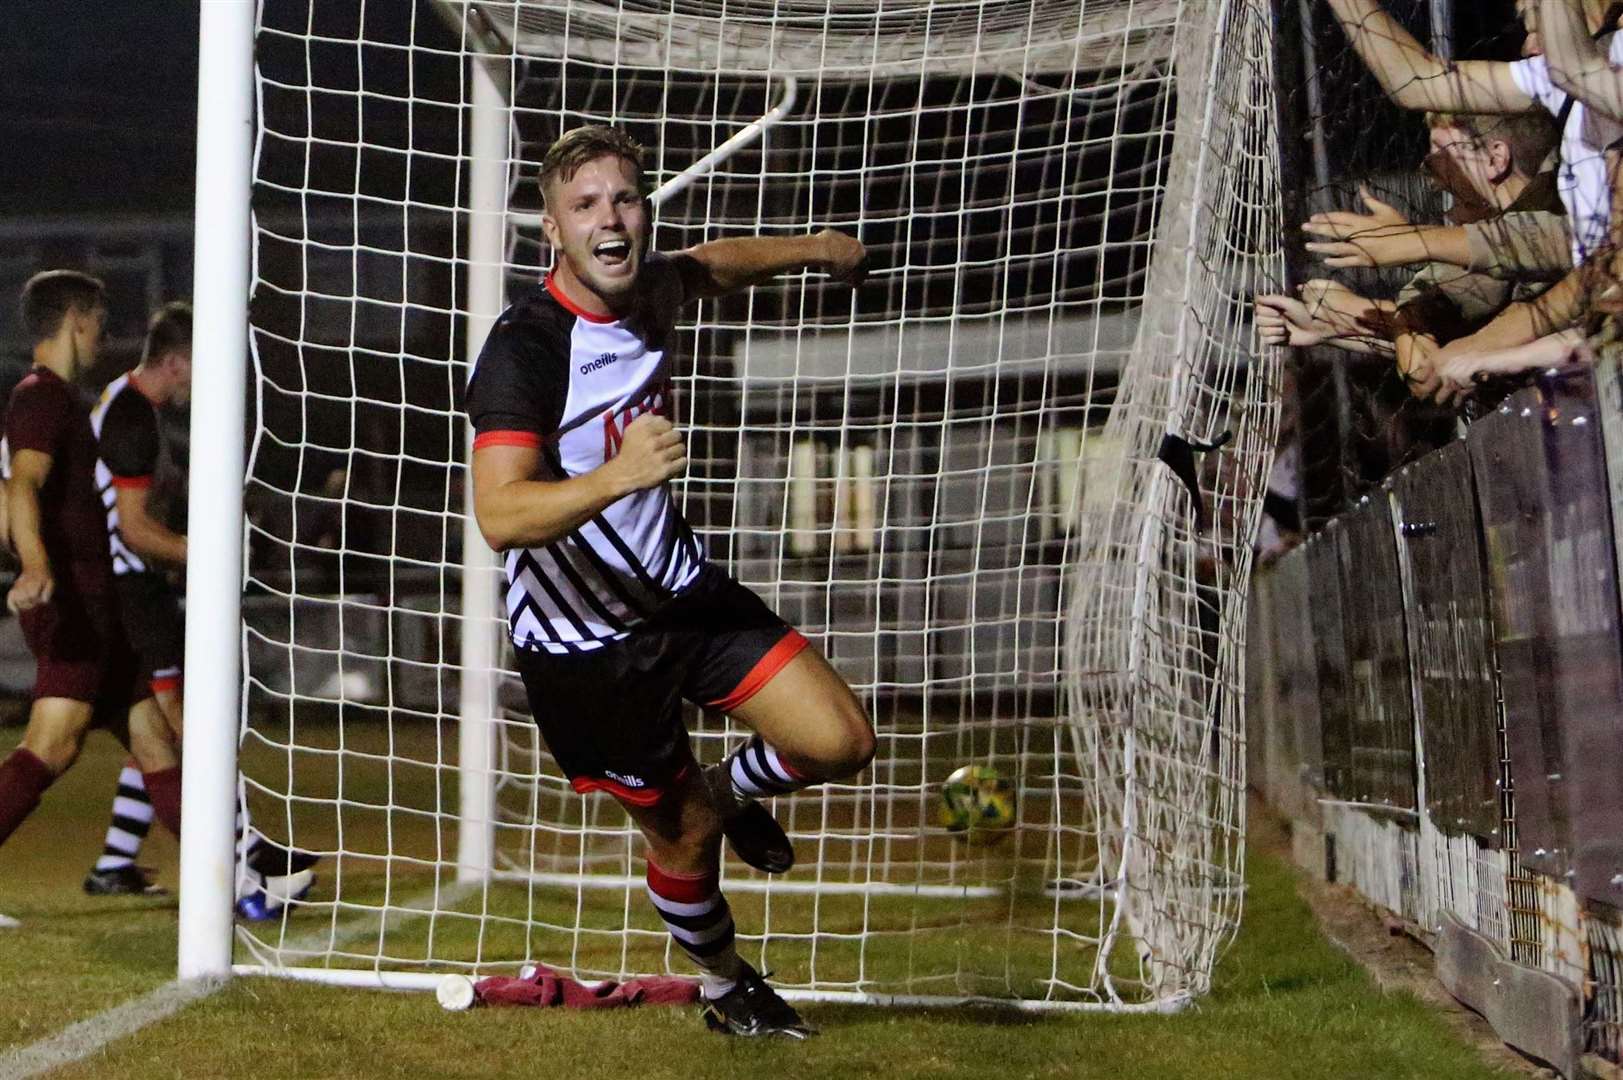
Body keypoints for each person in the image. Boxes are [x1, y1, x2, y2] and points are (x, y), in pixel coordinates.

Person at [464, 125, 876, 1038]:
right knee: (681, 836)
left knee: (843, 741)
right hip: (587, 651)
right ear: (552, 231)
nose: (610, 219)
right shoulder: (525, 352)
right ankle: (728, 989)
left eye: (625, 199)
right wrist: (616, 475)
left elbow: (710, 266)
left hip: (682, 597)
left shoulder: (649, 286)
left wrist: (812, 249)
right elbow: (500, 515)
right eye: (586, 206)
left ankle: (727, 794)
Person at [79, 301, 318, 913]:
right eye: (201, 366)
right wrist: (203, 553)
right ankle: (244, 857)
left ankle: (116, 862)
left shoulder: (132, 407)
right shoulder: (131, 417)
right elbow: (133, 529)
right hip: (132, 593)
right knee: (185, 724)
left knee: (156, 734)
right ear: (176, 361)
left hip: (134, 589)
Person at [0, 271, 182, 927]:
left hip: (97, 604)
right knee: (50, 747)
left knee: (156, 743)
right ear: (77, 320)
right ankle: (243, 869)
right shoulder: (42, 398)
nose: (105, 335)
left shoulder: (59, 400)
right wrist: (38, 566)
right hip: (73, 603)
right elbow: (22, 484)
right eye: (100, 321)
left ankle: (241, 873)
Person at [1324, 0, 1623, 266]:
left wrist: (1421, 241)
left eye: (1539, 17)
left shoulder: (1583, 69)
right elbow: (1414, 82)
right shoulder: (1566, 76)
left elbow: (1572, 69)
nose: (1526, 46)